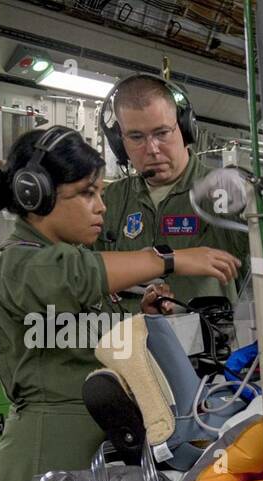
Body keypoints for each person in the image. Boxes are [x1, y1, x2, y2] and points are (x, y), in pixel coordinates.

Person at [0, 126, 240, 481]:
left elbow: (77, 321)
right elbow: (75, 278)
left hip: (99, 449)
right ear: (37, 197)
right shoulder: (16, 263)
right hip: (46, 456)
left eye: (101, 191)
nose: (101, 207)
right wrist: (169, 257)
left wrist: (136, 312)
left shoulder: (64, 261)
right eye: (86, 194)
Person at [95, 74, 249, 310]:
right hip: (128, 341)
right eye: (136, 136)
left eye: (162, 133)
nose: (152, 149)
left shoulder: (221, 193)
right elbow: (80, 273)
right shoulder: (110, 201)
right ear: (119, 141)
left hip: (207, 342)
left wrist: (251, 194)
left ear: (186, 129)